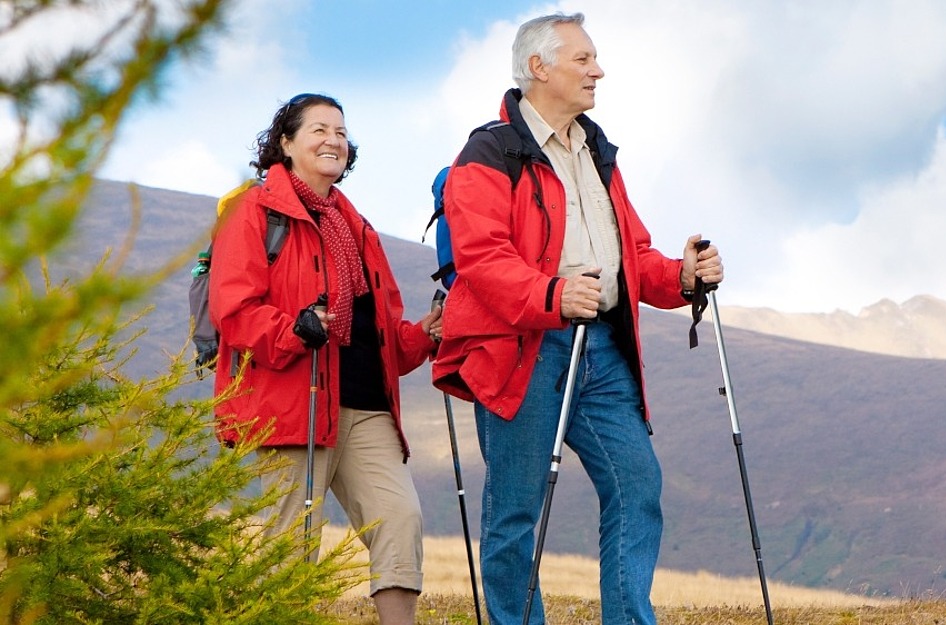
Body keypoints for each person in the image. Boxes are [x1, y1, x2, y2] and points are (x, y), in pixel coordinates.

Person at [431, 12, 724, 625]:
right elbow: (482, 257)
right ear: (539, 68)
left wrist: (684, 276)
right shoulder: (488, 151)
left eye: (595, 59)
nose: (599, 70)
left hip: (602, 352)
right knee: (515, 509)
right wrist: (550, 295)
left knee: (638, 485)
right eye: (583, 59)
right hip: (523, 349)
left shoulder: (597, 150)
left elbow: (631, 255)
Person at [208, 93, 441, 625]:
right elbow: (234, 311)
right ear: (285, 144)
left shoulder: (355, 227)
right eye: (318, 129)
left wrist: (426, 334)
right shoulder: (254, 213)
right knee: (290, 547)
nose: (333, 139)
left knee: (399, 519)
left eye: (340, 131)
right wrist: (296, 328)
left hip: (365, 406)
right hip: (293, 404)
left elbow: (378, 336)